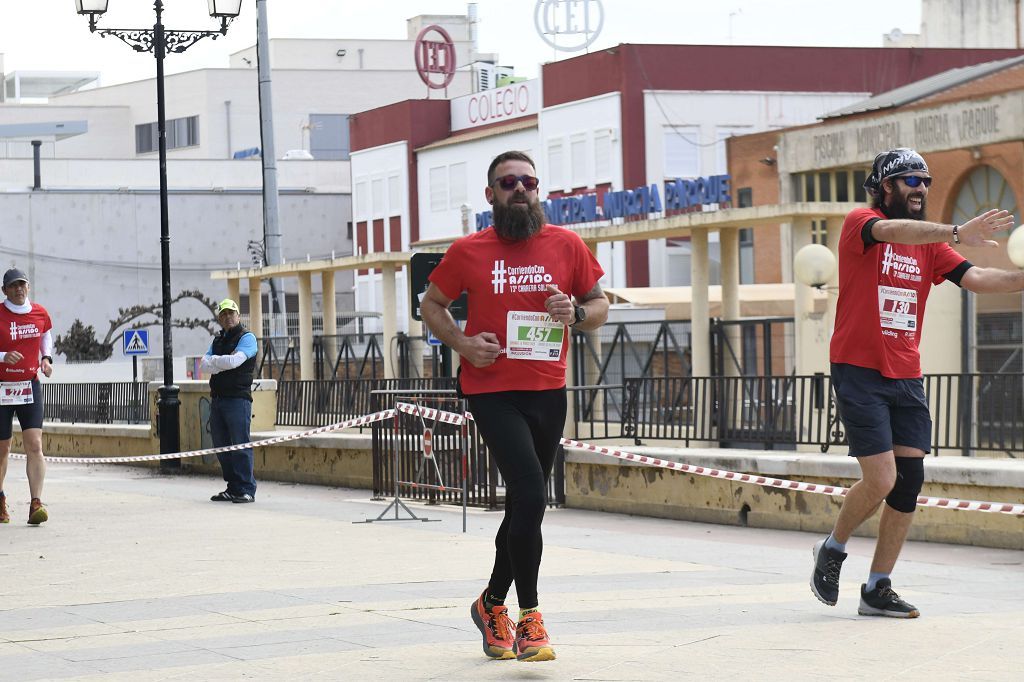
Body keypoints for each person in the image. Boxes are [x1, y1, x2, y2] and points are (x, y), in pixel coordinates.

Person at [812, 147, 1024, 618]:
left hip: (905, 373)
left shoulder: (929, 246)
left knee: (907, 485)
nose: (921, 189)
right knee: (881, 477)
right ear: (885, 187)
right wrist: (955, 230)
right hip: (859, 369)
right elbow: (889, 231)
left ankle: (877, 587)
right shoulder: (860, 223)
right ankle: (832, 547)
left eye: (925, 181)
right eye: (910, 180)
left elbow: (978, 277)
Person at [421, 150, 608, 662]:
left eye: (528, 181)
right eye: (508, 183)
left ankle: (490, 603)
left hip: (548, 388)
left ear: (538, 188)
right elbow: (431, 304)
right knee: (529, 491)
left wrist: (575, 314)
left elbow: (600, 305)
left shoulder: (566, 245)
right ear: (491, 195)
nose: (519, 189)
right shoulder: (468, 250)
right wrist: (461, 343)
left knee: (526, 504)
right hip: (491, 390)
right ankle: (531, 618)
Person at [0, 268, 54, 526]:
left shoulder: (40, 312)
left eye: (22, 284)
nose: (18, 289)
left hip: (29, 386)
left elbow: (46, 335)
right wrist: (3, 356)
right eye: (13, 286)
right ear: (5, 291)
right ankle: (0, 499)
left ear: (28, 287)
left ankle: (36, 504)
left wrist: (46, 359)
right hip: (1, 388)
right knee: (3, 449)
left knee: (35, 445)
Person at [200, 298, 258, 504]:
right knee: (221, 445)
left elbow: (235, 361)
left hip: (238, 400)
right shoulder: (218, 340)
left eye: (231, 313)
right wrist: (220, 361)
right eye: (223, 314)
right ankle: (233, 487)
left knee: (240, 444)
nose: (228, 317)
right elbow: (203, 365)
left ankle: (246, 489)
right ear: (219, 318)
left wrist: (216, 362)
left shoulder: (247, 338)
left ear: (238, 315)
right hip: (218, 400)